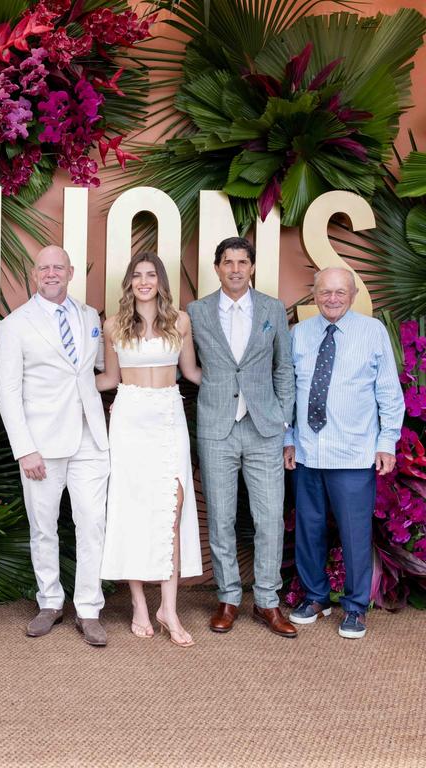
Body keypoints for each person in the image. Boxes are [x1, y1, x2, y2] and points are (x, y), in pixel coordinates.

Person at [0, 245, 111, 646]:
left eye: (58, 266)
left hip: (91, 437)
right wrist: (25, 448)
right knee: (44, 527)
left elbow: (93, 372)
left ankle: (89, 609)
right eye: (43, 267)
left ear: (71, 272)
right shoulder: (15, 325)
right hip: (42, 444)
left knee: (93, 523)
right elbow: (7, 392)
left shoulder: (89, 316)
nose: (50, 273)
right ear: (33, 274)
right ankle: (49, 601)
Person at [285, 268, 403, 639]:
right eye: (324, 292)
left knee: (354, 533)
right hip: (307, 451)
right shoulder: (299, 334)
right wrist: (288, 438)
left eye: (339, 292)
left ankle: (354, 608)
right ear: (314, 295)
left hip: (353, 453)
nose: (332, 298)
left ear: (352, 295)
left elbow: (389, 393)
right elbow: (289, 393)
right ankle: (316, 597)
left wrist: (387, 443)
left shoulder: (372, 333)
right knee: (308, 529)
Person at [187, 236, 296, 637]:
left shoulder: (272, 309)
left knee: (269, 519)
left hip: (264, 428)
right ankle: (229, 597)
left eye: (242, 262)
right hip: (217, 428)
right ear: (216, 268)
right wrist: (215, 387)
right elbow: (190, 367)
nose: (235, 269)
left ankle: (267, 601)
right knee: (220, 518)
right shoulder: (196, 312)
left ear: (252, 267)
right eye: (227, 262)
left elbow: (284, 368)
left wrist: (283, 421)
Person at [98, 253, 203, 647]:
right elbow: (109, 378)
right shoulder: (113, 326)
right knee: (132, 510)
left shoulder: (180, 321)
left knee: (171, 514)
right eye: (138, 275)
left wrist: (239, 385)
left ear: (161, 281)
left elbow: (191, 373)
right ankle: (141, 603)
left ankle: (169, 609)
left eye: (151, 275)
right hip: (129, 419)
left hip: (169, 417)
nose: (145, 281)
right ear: (129, 282)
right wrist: (61, 387)